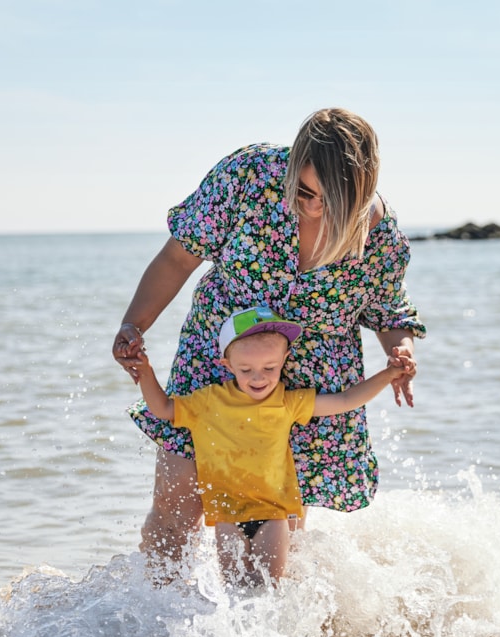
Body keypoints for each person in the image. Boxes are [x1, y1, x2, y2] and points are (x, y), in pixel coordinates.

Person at [112, 107, 426, 570]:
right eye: (303, 191)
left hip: (305, 386)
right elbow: (178, 260)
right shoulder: (247, 178)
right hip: (218, 363)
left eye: (331, 199)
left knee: (271, 537)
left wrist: (400, 349)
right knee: (177, 508)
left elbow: (388, 312)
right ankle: (155, 626)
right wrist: (133, 325)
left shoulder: (377, 234)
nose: (314, 206)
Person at [131, 306, 415, 585]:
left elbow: (345, 401)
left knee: (270, 590)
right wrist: (145, 371)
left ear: (285, 360)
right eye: (246, 369)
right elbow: (164, 408)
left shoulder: (286, 401)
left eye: (270, 367)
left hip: (274, 514)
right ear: (226, 365)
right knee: (236, 593)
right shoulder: (207, 402)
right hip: (227, 516)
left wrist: (387, 375)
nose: (259, 377)